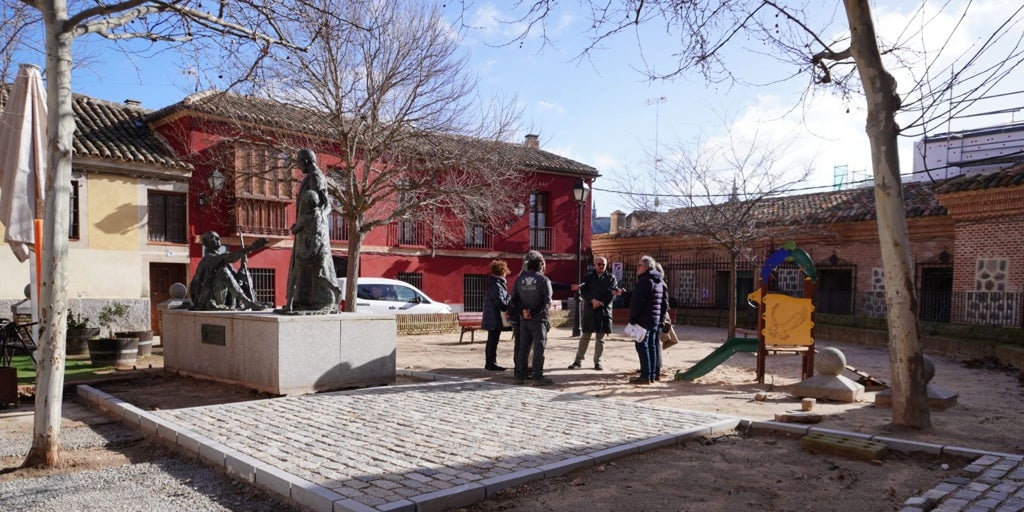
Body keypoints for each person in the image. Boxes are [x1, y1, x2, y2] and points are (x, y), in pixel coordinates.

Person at [281, 149, 341, 313]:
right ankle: (304, 300)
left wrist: (317, 218)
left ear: (306, 161)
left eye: (300, 163)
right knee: (306, 266)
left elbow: (325, 204)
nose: (299, 167)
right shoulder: (311, 176)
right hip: (306, 228)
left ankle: (322, 300)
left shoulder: (316, 176)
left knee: (313, 265)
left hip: (312, 232)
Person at [189, 231, 269, 311]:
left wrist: (242, 265)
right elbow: (230, 257)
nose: (218, 239)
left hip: (222, 297)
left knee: (240, 273)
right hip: (206, 300)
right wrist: (251, 248)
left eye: (218, 237)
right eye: (214, 238)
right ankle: (247, 302)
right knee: (223, 272)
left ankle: (252, 301)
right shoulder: (208, 258)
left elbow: (236, 281)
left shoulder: (220, 260)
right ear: (206, 243)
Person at [510, 250, 553, 386]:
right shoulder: (544, 280)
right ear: (540, 266)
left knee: (523, 348)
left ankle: (519, 376)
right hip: (539, 320)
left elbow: (514, 300)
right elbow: (546, 301)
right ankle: (537, 377)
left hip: (524, 320)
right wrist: (533, 312)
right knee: (539, 349)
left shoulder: (519, 280)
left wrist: (523, 311)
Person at [569, 257, 620, 371]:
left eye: (604, 264)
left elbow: (612, 293)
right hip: (590, 309)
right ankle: (578, 361)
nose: (602, 266)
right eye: (599, 264)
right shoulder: (588, 277)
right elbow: (583, 290)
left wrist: (601, 303)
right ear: (595, 264)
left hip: (603, 311)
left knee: (600, 338)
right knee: (585, 336)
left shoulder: (611, 278)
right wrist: (592, 300)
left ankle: (598, 362)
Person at [627, 255, 667, 385]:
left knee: (642, 346)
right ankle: (653, 375)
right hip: (654, 319)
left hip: (643, 319)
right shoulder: (659, 280)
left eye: (639, 265)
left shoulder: (645, 280)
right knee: (652, 346)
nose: (637, 268)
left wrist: (633, 319)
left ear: (646, 267)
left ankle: (645, 375)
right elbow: (662, 303)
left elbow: (637, 302)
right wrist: (660, 318)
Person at [481, 260, 511, 371]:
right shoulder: (497, 285)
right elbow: (501, 303)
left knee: (492, 340)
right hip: (494, 316)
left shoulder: (495, 283)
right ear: (502, 271)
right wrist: (509, 298)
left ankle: (490, 362)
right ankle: (490, 363)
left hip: (492, 316)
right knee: (493, 340)